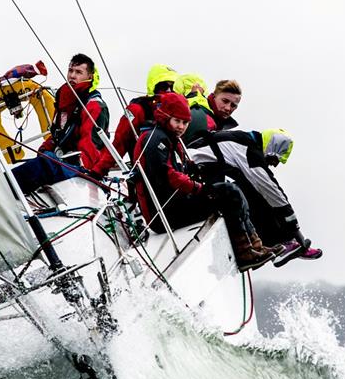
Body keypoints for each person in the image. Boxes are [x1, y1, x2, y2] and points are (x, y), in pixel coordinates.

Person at [133, 92, 275, 269]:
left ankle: (255, 246)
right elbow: (166, 175)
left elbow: (181, 169)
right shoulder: (155, 139)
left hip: (173, 206)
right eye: (177, 121)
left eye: (185, 123)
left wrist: (196, 171)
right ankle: (245, 253)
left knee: (232, 189)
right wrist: (199, 188)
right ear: (166, 117)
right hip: (164, 215)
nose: (181, 127)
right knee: (228, 193)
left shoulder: (168, 138)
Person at [188, 128, 323, 267]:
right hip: (191, 183)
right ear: (271, 148)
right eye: (275, 159)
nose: (274, 165)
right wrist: (296, 230)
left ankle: (280, 243)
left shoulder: (242, 141)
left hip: (198, 176)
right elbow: (272, 190)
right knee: (258, 193)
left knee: (250, 189)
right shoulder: (249, 151)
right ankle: (283, 244)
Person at [11, 53, 109, 193]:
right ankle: (3, 189)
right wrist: (44, 149)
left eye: (79, 72)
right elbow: (58, 133)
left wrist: (77, 166)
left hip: (82, 169)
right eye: (70, 71)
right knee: (40, 161)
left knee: (45, 164)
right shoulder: (65, 100)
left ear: (90, 76)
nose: (72, 76)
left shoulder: (94, 106)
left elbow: (91, 147)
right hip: (63, 161)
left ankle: (0, 192)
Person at [89, 63, 178, 178]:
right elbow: (119, 144)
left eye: (173, 87)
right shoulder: (137, 110)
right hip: (145, 179)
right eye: (164, 86)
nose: (169, 90)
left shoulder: (175, 114)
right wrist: (97, 171)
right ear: (154, 85)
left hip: (173, 176)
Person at [181, 78, 242, 145]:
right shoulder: (202, 118)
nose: (228, 108)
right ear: (214, 96)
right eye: (225, 101)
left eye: (233, 105)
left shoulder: (216, 121)